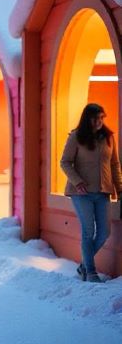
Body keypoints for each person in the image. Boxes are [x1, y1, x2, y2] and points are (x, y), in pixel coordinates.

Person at [60, 103, 122, 283]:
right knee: (88, 231)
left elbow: (114, 165)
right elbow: (65, 162)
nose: (99, 122)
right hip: (82, 193)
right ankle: (91, 272)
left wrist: (120, 189)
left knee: (104, 232)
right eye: (96, 118)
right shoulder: (76, 137)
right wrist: (77, 181)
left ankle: (83, 266)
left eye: (102, 118)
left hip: (103, 192)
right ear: (87, 119)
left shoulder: (109, 138)